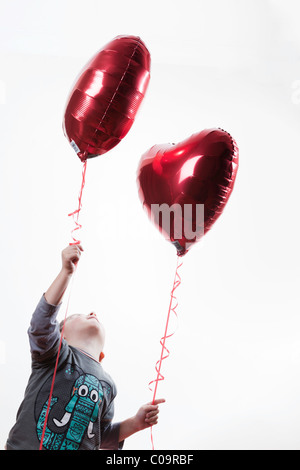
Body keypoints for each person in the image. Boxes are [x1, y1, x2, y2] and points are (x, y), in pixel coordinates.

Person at [6, 244, 165, 450]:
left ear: (102, 356)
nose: (92, 312)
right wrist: (65, 273)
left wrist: (134, 424)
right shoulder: (56, 354)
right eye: (77, 316)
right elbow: (41, 324)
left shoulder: (108, 385)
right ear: (60, 336)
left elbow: (99, 435)